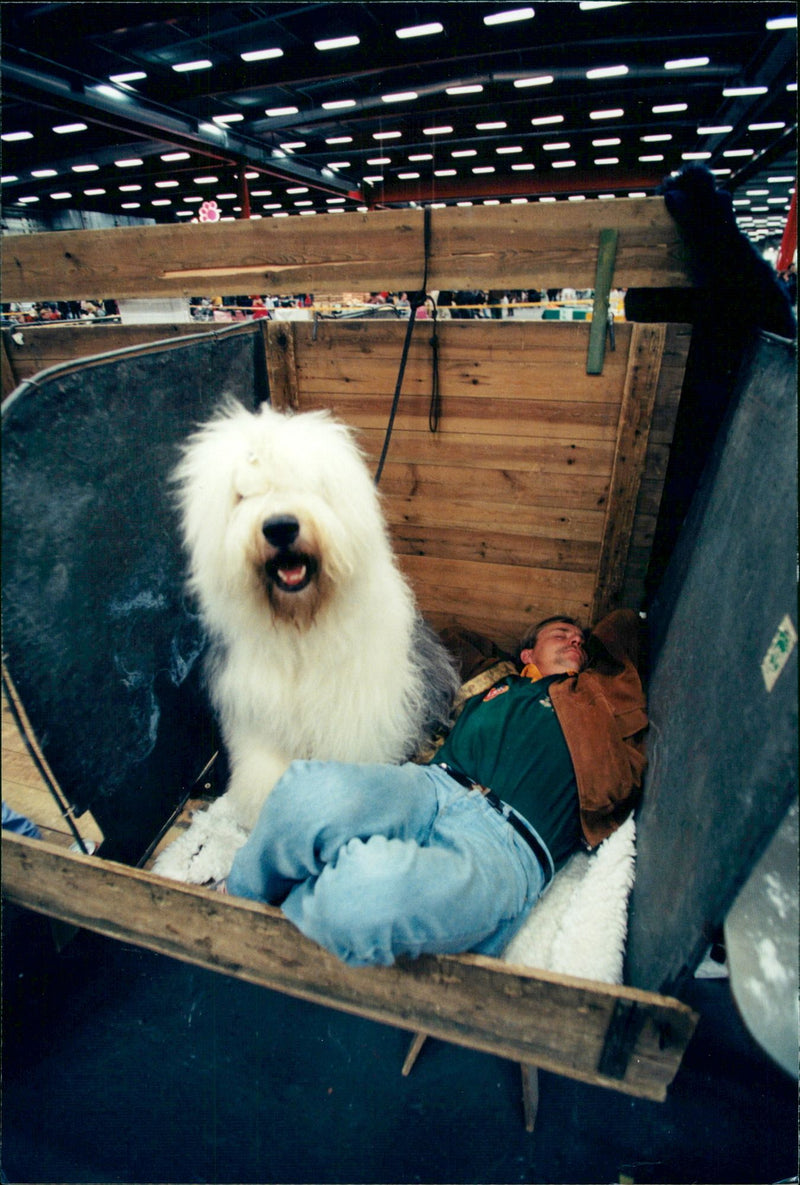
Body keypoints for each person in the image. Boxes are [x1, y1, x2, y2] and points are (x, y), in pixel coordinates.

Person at [226, 609, 647, 967]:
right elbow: (439, 648)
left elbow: (626, 626)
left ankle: (292, 909)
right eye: (561, 634)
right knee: (307, 790)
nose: (575, 639)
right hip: (431, 785)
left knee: (364, 891)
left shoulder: (595, 697)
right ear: (527, 654)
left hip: (509, 842)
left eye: (580, 639)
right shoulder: (496, 680)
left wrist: (596, 646)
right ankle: (237, 897)